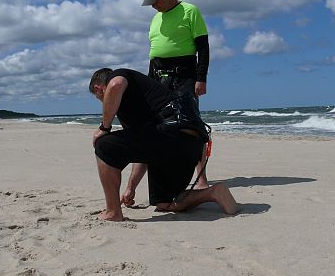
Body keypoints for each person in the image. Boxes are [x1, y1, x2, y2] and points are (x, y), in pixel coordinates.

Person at [89, 67, 237, 222]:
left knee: (104, 145)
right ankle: (213, 193)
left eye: (100, 98)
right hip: (190, 144)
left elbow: (115, 85)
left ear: (98, 89)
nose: (103, 102)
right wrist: (131, 188)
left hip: (173, 133)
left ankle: (113, 212)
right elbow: (142, 152)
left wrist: (104, 128)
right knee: (165, 202)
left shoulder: (118, 76)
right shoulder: (136, 108)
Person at [126, 0, 211, 191]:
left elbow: (203, 48)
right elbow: (154, 53)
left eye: (155, 0)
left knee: (192, 126)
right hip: (158, 76)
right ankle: (163, 174)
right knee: (156, 125)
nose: (153, 5)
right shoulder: (155, 19)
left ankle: (201, 178)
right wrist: (148, 83)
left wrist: (201, 78)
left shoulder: (190, 11)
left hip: (185, 76)